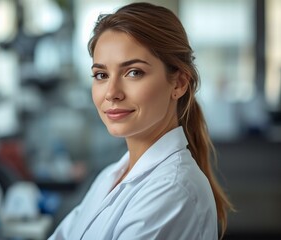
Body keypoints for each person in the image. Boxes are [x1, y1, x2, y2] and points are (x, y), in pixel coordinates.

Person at [48, 2, 233, 240]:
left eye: (133, 72)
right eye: (101, 75)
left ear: (178, 83)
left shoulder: (173, 191)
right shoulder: (112, 176)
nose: (111, 92)